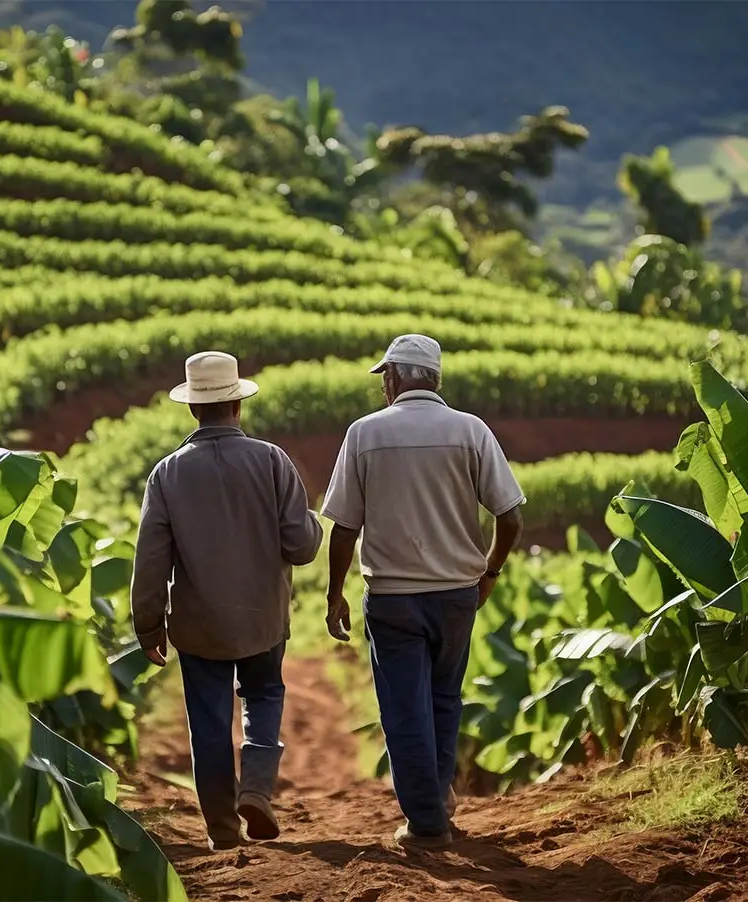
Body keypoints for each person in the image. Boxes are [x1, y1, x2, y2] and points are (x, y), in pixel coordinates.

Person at [320, 334, 525, 849]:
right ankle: (435, 803)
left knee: (403, 709)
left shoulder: (364, 434)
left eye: (384, 378)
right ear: (434, 378)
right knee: (442, 701)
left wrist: (334, 593)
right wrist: (490, 571)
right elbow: (510, 516)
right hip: (457, 594)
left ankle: (426, 823)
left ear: (393, 378)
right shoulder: (471, 431)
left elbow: (343, 526)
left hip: (392, 597)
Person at [131, 350, 323, 852]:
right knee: (263, 698)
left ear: (193, 409)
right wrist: (315, 523)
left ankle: (222, 829)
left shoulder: (167, 474)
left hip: (199, 625)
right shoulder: (273, 461)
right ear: (237, 405)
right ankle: (256, 788)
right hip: (264, 616)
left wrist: (149, 626)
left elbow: (150, 560)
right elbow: (301, 547)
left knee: (209, 723)